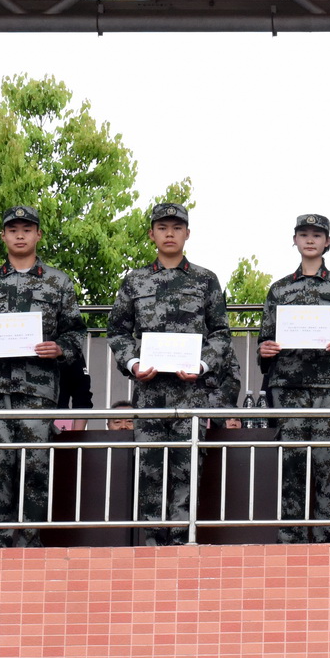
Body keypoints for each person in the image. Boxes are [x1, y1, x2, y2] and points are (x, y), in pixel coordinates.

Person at [0, 205, 88, 548]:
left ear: (38, 234)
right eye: (13, 229)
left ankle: (30, 544)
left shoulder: (58, 282)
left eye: (27, 229)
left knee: (35, 469)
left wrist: (59, 348)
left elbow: (76, 333)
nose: (20, 235)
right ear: (3, 235)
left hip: (37, 393)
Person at [107, 203, 237, 547]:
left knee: (187, 470)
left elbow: (221, 334)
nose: (169, 233)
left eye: (177, 228)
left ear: (187, 234)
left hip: (190, 395)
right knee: (149, 470)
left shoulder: (205, 280)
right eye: (162, 227)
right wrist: (133, 363)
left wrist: (202, 365)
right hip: (149, 395)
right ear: (151, 234)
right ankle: (152, 544)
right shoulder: (135, 280)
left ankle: (182, 544)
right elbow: (117, 331)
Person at [255, 213, 330, 544]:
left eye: (316, 235)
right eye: (303, 234)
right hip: (288, 387)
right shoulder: (279, 289)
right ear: (294, 240)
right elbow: (264, 339)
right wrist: (265, 349)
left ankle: (327, 540)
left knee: (328, 462)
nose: (309, 240)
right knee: (292, 463)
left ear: (327, 242)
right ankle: (290, 541)